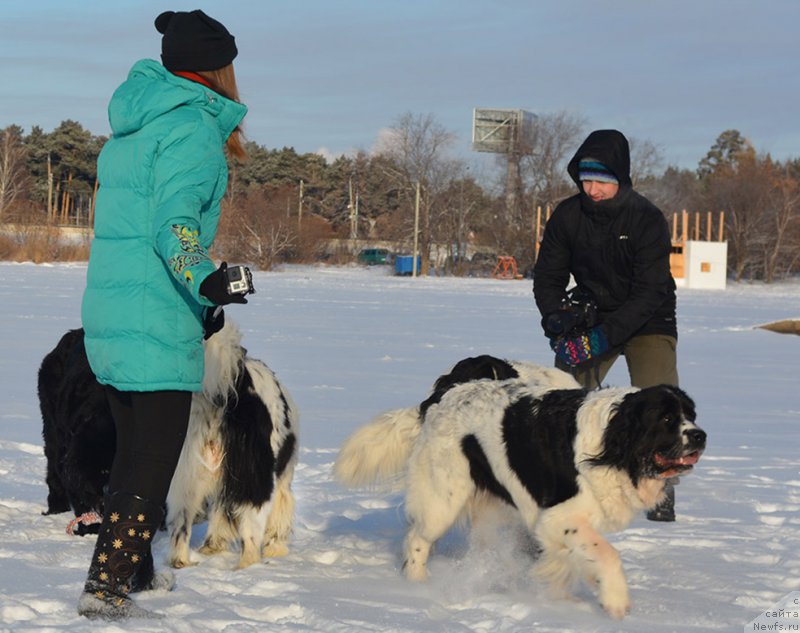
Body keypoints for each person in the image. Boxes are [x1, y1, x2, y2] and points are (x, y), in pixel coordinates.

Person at [77, 10, 251, 619]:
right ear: (219, 69)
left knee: (130, 453)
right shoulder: (194, 130)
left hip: (113, 312)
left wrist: (200, 302)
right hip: (154, 318)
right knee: (149, 466)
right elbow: (172, 226)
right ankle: (106, 590)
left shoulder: (136, 126)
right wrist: (206, 278)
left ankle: (140, 572)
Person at [533, 129, 680, 522]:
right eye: (586, 180)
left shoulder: (646, 219)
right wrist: (556, 322)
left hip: (650, 318)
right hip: (593, 314)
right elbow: (547, 276)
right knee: (560, 398)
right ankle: (558, 482)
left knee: (659, 398)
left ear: (620, 178)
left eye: (601, 181)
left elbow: (649, 292)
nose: (592, 189)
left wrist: (602, 338)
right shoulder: (567, 216)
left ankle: (660, 485)